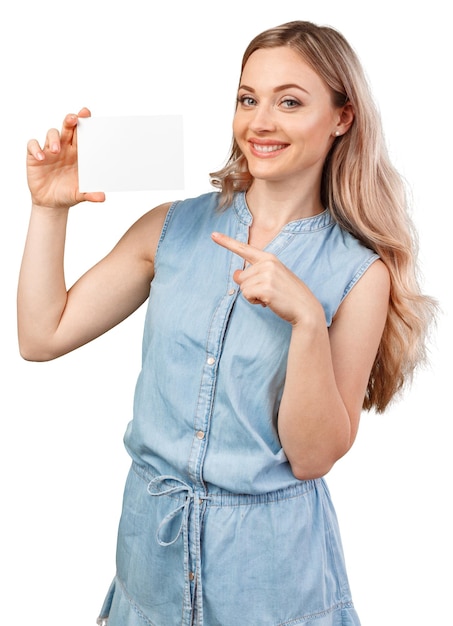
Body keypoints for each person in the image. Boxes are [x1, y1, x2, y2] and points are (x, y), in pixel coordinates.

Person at [18, 20, 435, 626]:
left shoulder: (358, 272)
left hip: (270, 585)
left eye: (289, 101)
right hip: (149, 569)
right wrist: (48, 208)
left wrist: (307, 322)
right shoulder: (172, 227)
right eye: (248, 98)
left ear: (343, 117)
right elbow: (41, 335)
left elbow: (313, 456)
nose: (260, 122)